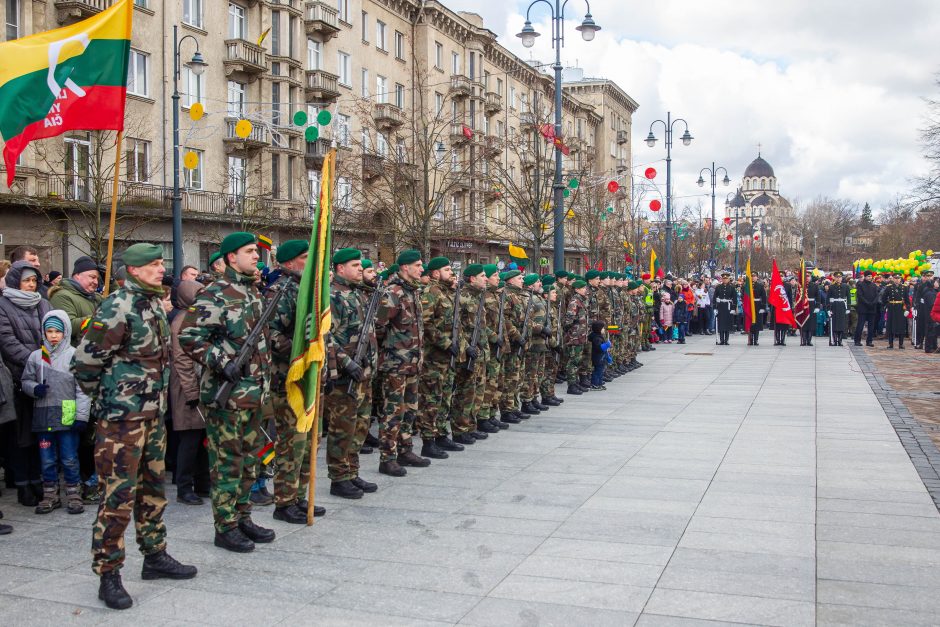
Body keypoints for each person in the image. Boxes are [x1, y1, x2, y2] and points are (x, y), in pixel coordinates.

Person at [72, 243, 197, 610]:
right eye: (154, 265)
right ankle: (108, 573)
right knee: (118, 497)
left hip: (153, 417)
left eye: (161, 264)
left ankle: (155, 555)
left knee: (153, 489)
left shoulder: (154, 305)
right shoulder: (116, 307)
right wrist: (112, 400)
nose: (161, 270)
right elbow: (84, 365)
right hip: (121, 424)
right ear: (134, 269)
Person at [179, 232, 275, 553]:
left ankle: (243, 515)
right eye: (249, 251)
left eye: (257, 252)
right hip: (228, 394)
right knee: (227, 462)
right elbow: (190, 336)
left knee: (250, 461)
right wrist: (221, 361)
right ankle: (225, 525)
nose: (256, 257)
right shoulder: (216, 294)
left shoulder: (253, 293)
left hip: (254, 393)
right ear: (231, 257)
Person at [267, 240, 325, 521]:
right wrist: (298, 351)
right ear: (288, 263)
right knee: (291, 441)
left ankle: (300, 496)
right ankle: (284, 501)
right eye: (305, 258)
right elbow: (271, 334)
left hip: (308, 377)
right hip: (287, 377)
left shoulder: (308, 291)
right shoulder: (280, 292)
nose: (310, 263)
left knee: (306, 442)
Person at [21, 310, 90, 515]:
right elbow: (26, 380)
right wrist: (34, 388)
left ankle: (73, 492)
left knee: (69, 457)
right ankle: (50, 494)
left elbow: (83, 389)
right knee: (47, 458)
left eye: (57, 332)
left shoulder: (73, 355)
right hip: (43, 415)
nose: (53, 335)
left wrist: (81, 416)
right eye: (49, 331)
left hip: (67, 416)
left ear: (65, 332)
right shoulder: (37, 356)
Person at [324, 248, 379, 500]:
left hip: (363, 372)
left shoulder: (358, 295)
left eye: (360, 265)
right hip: (345, 374)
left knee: (359, 425)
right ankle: (339, 476)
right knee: (342, 427)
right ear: (339, 268)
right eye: (354, 265)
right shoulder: (333, 296)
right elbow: (327, 337)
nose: (360, 268)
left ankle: (352, 471)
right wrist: (347, 363)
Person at [0, 260, 51, 506]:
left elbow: (52, 333)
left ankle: (39, 480)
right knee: (20, 437)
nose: (31, 285)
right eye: (26, 280)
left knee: (40, 433)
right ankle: (23, 484)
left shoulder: (43, 304)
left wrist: (47, 360)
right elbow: (8, 342)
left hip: (43, 374)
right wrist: (34, 361)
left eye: (34, 281)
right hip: (17, 376)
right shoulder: (3, 305)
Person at [374, 250, 427, 476]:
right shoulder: (393, 292)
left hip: (413, 363)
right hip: (395, 364)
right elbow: (378, 327)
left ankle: (406, 449)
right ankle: (387, 457)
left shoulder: (412, 292)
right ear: (405, 267)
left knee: (410, 410)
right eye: (417, 265)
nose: (421, 269)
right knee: (393, 412)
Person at [168, 280, 210, 506]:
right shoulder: (182, 321)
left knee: (202, 437)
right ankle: (185, 487)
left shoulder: (195, 317)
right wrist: (192, 392)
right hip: (186, 387)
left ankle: (203, 483)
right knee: (189, 439)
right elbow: (182, 361)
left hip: (198, 384)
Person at [416, 257, 462, 451]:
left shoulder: (446, 292)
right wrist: (445, 343)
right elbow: (426, 324)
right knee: (431, 399)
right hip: (434, 356)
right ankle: (428, 440)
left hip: (447, 356)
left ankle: (441, 433)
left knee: (445, 396)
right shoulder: (430, 292)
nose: (451, 272)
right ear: (435, 273)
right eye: (447, 269)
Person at [563, 280, 589, 395]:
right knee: (573, 361)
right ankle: (571, 385)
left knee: (578, 360)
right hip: (575, 336)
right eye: (583, 288)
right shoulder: (575, 302)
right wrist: (573, 332)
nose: (585, 290)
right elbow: (569, 320)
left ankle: (576, 382)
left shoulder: (581, 301)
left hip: (581, 335)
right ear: (577, 289)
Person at [882, 273, 910, 349]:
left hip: (901, 308)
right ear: (893, 279)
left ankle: (901, 344)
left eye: (898, 278)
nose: (897, 280)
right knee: (890, 325)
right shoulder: (889, 287)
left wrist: (907, 309)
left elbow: (907, 300)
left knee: (901, 326)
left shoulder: (904, 288)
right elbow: (883, 298)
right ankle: (890, 343)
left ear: (900, 279)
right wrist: (886, 305)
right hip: (892, 308)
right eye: (895, 278)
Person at [854, 270, 879, 347]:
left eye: (871, 276)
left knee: (871, 326)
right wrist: (867, 303)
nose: (870, 277)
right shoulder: (860, 285)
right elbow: (860, 296)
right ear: (865, 276)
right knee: (860, 325)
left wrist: (873, 303)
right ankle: (857, 340)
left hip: (872, 308)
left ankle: (869, 341)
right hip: (863, 308)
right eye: (868, 276)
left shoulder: (874, 285)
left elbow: (877, 296)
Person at [827, 271, 851, 346]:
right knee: (834, 324)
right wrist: (828, 309)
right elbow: (828, 298)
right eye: (837, 277)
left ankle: (840, 341)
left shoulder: (846, 286)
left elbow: (848, 297)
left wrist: (848, 308)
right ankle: (834, 340)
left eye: (840, 277)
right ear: (834, 278)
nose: (838, 279)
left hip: (842, 306)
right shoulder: (831, 287)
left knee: (841, 324)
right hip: (834, 306)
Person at [713, 272, 737, 345]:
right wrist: (715, 308)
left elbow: (734, 298)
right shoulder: (718, 287)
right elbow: (714, 297)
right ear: (722, 279)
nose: (725, 280)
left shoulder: (732, 287)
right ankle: (721, 340)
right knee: (720, 324)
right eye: (724, 278)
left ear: (729, 279)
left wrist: (733, 308)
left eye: (726, 279)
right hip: (720, 307)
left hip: (728, 307)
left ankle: (726, 340)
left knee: (727, 324)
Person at [587, 321, 609, 391]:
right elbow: (599, 348)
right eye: (603, 328)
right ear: (599, 329)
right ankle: (594, 384)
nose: (604, 330)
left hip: (601, 357)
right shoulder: (597, 338)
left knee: (600, 371)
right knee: (597, 371)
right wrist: (606, 345)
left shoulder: (598, 336)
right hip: (598, 357)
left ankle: (599, 383)